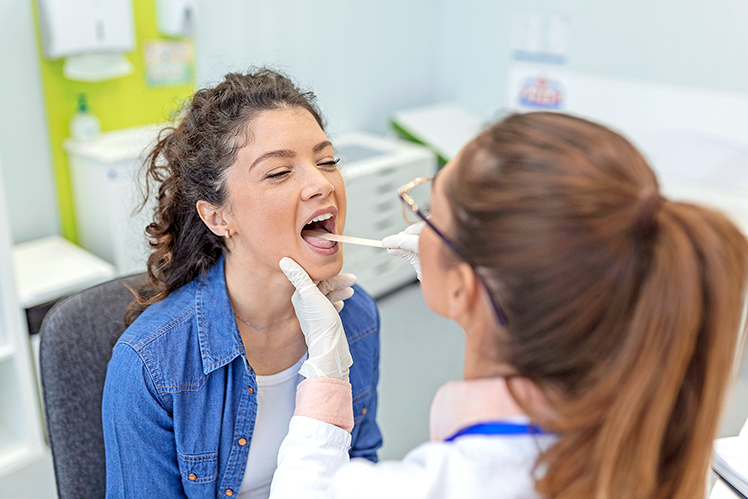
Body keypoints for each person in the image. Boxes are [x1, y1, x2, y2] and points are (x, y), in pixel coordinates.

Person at [269, 111, 748, 498]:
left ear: (466, 285)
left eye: (432, 214)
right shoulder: (643, 431)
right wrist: (467, 292)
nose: (320, 186)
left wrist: (327, 377)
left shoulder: (454, 485)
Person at [101, 69, 383, 498]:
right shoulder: (152, 365)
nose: (322, 183)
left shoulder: (355, 316)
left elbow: (360, 468)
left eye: (327, 161)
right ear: (218, 217)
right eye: (278, 172)